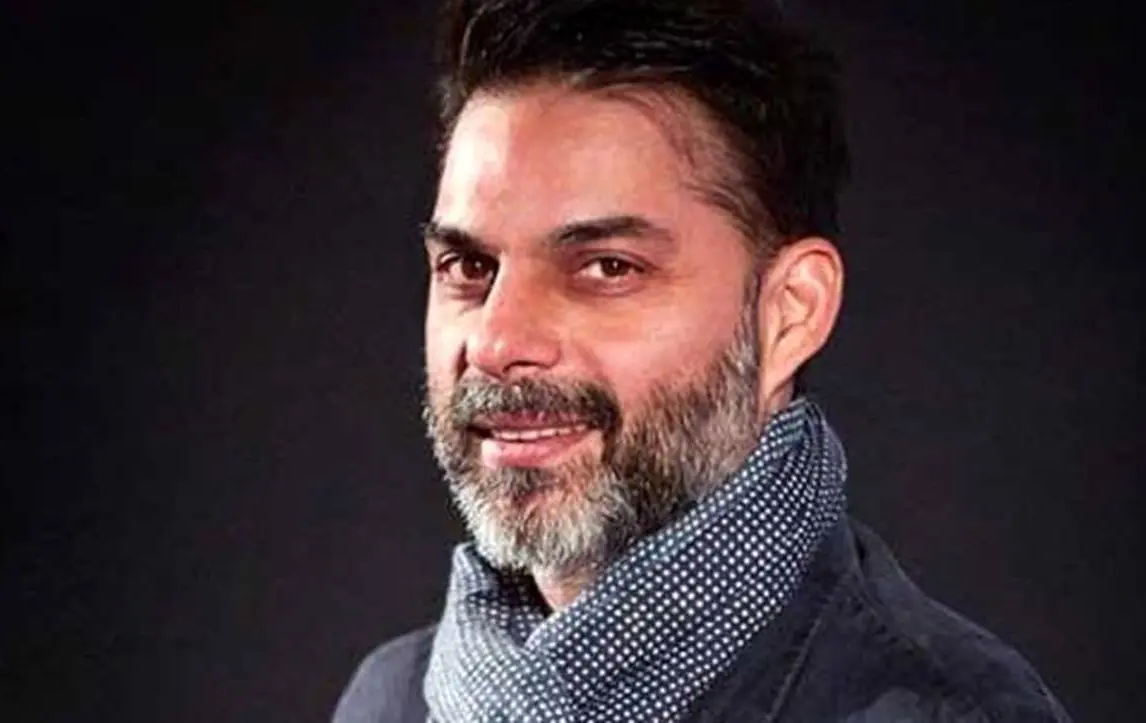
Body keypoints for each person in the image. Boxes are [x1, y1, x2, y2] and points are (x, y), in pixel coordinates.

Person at [334, 0, 1072, 720]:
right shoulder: (390, 698)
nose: (497, 343)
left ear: (790, 312)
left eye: (608, 267)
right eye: (468, 266)